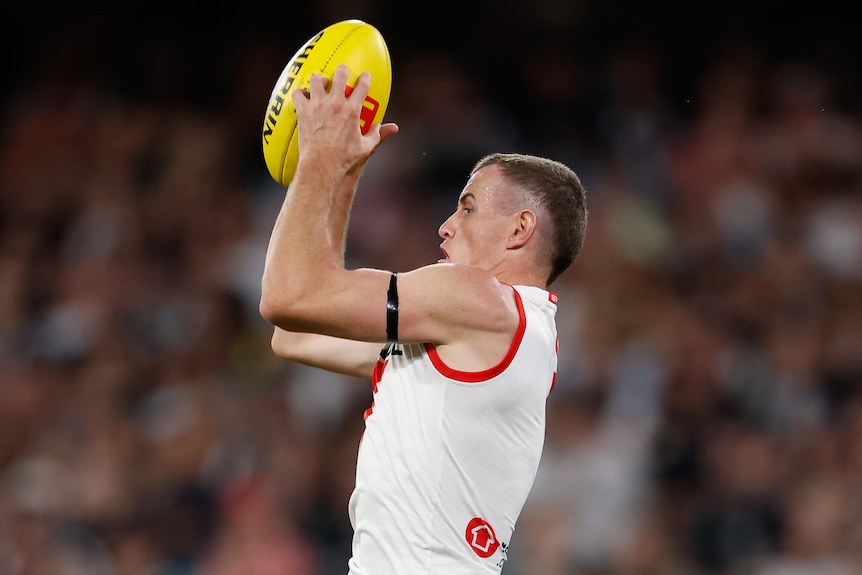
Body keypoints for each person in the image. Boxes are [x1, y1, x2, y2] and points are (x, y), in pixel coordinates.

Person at [258, 64, 588, 574]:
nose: (446, 225)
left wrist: (321, 157)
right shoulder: (492, 329)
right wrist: (345, 176)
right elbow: (296, 332)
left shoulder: (479, 300)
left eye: (469, 208)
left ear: (520, 228)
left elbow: (286, 296)